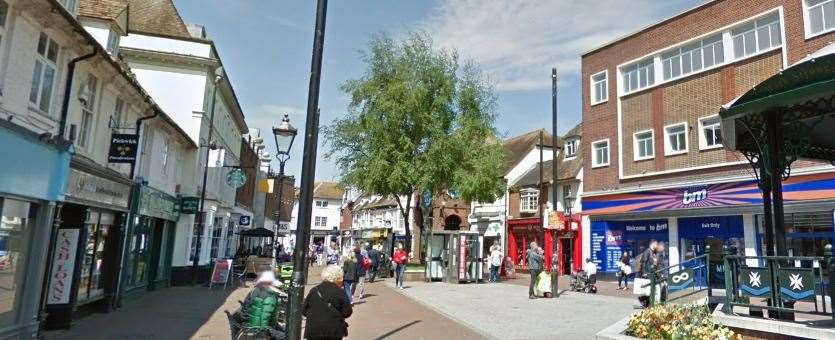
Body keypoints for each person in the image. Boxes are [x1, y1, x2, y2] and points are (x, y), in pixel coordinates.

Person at [303, 265, 352, 340]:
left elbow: (304, 310)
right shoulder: (340, 292)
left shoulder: (314, 290)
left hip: (313, 330)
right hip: (333, 331)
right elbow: (347, 312)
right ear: (338, 278)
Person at [637, 241, 659, 308]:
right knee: (648, 289)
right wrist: (644, 273)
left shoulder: (652, 252)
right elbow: (644, 262)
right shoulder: (647, 251)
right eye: (656, 244)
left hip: (652, 273)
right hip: (648, 273)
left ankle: (648, 303)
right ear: (652, 244)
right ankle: (644, 301)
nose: (657, 246)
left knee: (651, 289)